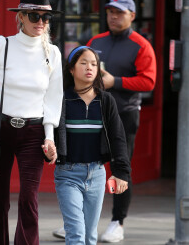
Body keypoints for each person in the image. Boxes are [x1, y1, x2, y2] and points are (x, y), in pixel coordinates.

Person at [0, 0, 63, 245]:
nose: (40, 22)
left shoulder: (52, 53)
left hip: (34, 132)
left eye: (45, 17)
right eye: (34, 16)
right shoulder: (3, 44)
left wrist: (50, 139)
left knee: (29, 199)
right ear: (20, 16)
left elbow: (52, 101)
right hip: (1, 128)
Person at [88, 0, 157, 242]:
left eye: (119, 12)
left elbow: (149, 80)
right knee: (86, 166)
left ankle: (118, 222)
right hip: (94, 113)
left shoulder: (141, 45)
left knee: (120, 169)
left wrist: (114, 81)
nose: (114, 17)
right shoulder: (96, 40)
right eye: (110, 12)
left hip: (124, 115)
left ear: (132, 16)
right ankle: (82, 221)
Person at [54, 45, 131, 245]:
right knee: (76, 233)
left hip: (97, 174)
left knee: (90, 236)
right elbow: (47, 131)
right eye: (83, 63)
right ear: (71, 69)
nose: (90, 67)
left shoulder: (106, 101)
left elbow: (118, 138)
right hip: (67, 174)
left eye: (94, 64)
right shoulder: (61, 100)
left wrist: (121, 172)